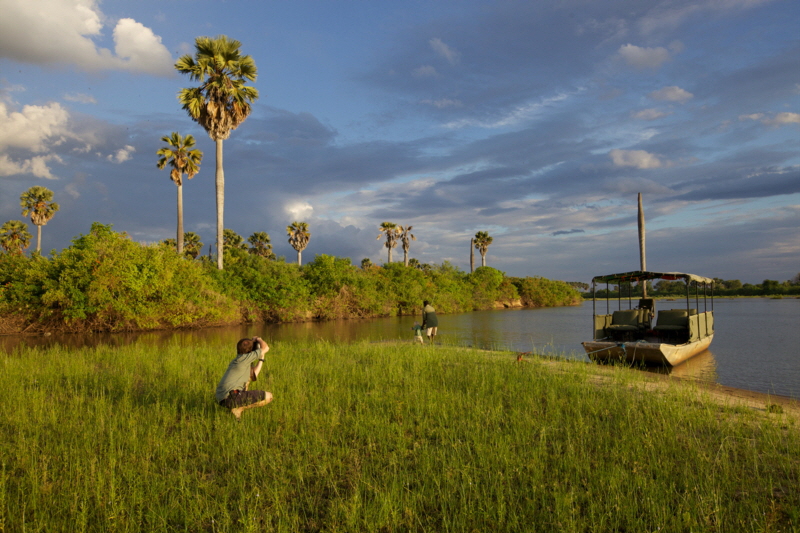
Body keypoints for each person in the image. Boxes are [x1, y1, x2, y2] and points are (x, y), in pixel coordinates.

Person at [215, 336, 273, 420]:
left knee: (247, 383)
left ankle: (236, 407)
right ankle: (238, 409)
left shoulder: (240, 359)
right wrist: (259, 339)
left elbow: (253, 376)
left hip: (222, 398)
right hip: (230, 398)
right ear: (250, 351)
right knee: (269, 396)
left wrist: (261, 359)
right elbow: (266, 348)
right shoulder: (244, 359)